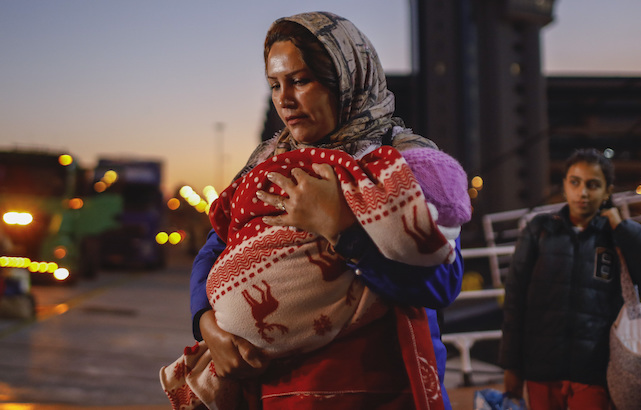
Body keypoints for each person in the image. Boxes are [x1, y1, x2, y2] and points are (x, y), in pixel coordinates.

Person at [160, 11, 470, 410]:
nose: (285, 100)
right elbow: (214, 247)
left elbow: (441, 284)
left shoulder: (405, 164)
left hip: (378, 392)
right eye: (275, 84)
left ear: (346, 80)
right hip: (274, 393)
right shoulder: (268, 162)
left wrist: (342, 228)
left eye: (301, 80)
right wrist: (208, 327)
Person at [498, 148, 641, 410]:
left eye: (593, 185)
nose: (582, 192)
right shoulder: (539, 230)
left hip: (594, 372)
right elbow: (514, 300)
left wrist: (623, 227)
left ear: (607, 191)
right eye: (575, 182)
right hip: (541, 368)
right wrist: (512, 365)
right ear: (564, 186)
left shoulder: (616, 236)